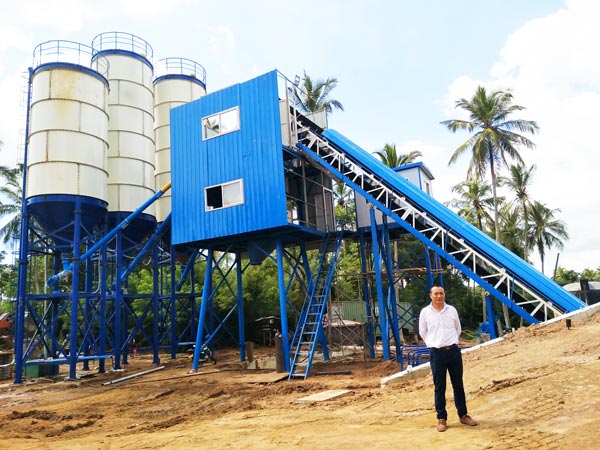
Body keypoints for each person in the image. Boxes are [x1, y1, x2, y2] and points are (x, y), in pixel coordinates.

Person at [418, 285, 478, 432]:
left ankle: (463, 414)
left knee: (458, 384)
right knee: (440, 386)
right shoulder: (425, 312)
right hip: (437, 353)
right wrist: (433, 343)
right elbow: (422, 332)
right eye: (436, 294)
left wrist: (452, 341)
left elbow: (458, 328)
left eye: (441, 293)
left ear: (444, 295)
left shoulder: (451, 310)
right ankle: (441, 418)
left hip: (453, 352)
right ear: (430, 296)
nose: (439, 296)